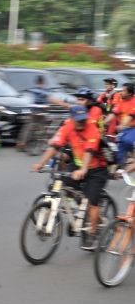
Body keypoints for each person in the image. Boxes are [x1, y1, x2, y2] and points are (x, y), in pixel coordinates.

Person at [32, 105, 109, 250]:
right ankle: (77, 206)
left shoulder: (92, 129)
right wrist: (40, 164)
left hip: (96, 168)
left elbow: (89, 151)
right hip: (77, 165)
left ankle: (92, 233)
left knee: (93, 202)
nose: (81, 123)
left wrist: (84, 169)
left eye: (83, 120)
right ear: (72, 119)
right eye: (78, 120)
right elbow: (54, 147)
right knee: (61, 182)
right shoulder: (67, 127)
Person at [106, 83, 135, 163]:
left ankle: (131, 155)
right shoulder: (121, 102)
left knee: (127, 141)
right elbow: (113, 113)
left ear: (129, 93)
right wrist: (104, 122)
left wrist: (122, 125)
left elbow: (131, 116)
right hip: (125, 129)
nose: (120, 92)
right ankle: (118, 168)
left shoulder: (134, 101)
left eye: (123, 91)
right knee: (120, 147)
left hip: (133, 128)